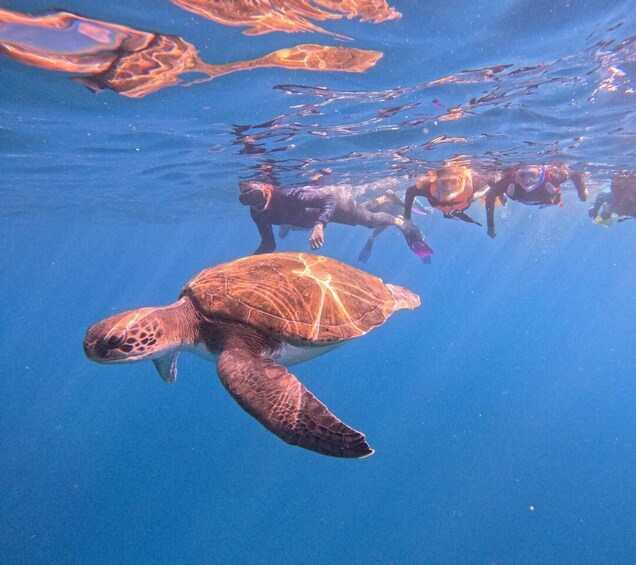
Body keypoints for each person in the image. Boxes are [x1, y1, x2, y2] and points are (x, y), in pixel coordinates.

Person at [238, 181, 434, 259]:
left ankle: (400, 222)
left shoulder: (289, 195)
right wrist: (245, 263)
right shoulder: (257, 213)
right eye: (246, 200)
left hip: (335, 203)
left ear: (266, 188)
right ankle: (385, 198)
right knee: (358, 215)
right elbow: (268, 243)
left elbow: (328, 200)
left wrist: (319, 225)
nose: (255, 203)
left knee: (368, 220)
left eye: (255, 195)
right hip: (319, 216)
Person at [486, 163, 588, 238]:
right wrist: (490, 225)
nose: (527, 181)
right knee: (497, 188)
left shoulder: (553, 177)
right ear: (516, 177)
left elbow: (576, 173)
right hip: (520, 196)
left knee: (552, 196)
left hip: (546, 198)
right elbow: (490, 195)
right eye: (522, 175)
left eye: (532, 175)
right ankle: (501, 195)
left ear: (540, 174)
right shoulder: (509, 182)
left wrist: (582, 192)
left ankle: (501, 194)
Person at [403, 164, 493, 227]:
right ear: (437, 182)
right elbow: (410, 191)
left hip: (464, 204)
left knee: (479, 195)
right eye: (444, 183)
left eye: (454, 182)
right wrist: (407, 218)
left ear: (461, 182)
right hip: (443, 205)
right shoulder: (429, 189)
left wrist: (480, 193)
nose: (449, 188)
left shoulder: (472, 185)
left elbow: (492, 180)